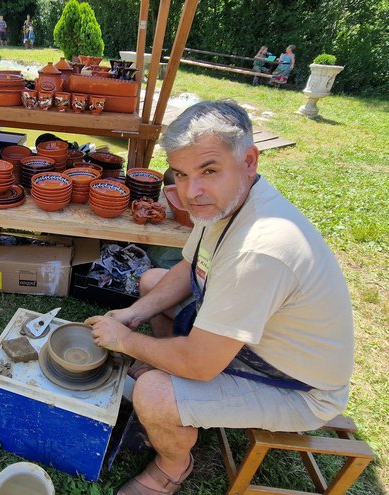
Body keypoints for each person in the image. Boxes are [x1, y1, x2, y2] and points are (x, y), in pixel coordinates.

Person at [86, 100, 354, 495]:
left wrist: (125, 341)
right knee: (152, 283)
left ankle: (173, 467)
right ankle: (167, 380)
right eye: (180, 173)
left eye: (209, 171)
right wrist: (133, 313)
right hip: (252, 339)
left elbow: (200, 363)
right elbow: (190, 266)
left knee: (153, 392)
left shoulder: (261, 249)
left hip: (296, 385)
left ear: (248, 160)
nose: (191, 192)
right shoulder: (231, 203)